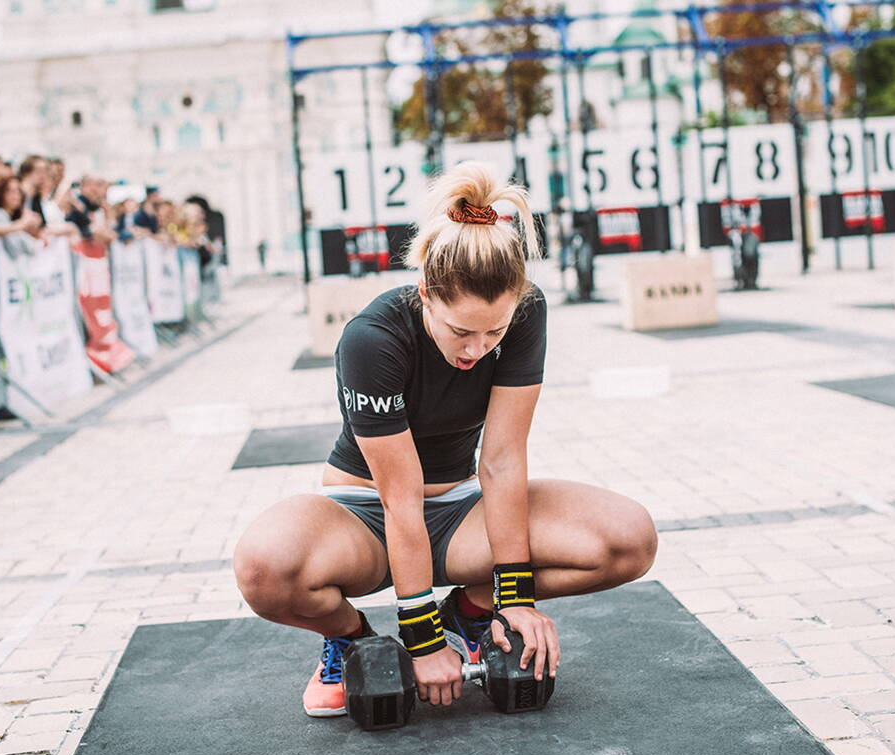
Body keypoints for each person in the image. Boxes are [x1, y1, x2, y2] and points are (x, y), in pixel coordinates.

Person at [232, 162, 657, 718]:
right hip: (365, 517)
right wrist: (421, 639)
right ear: (427, 293)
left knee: (629, 539)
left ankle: (470, 614)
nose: (476, 349)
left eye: (494, 332)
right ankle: (352, 639)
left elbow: (501, 462)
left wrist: (514, 599)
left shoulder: (525, 312)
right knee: (264, 567)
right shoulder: (372, 338)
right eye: (461, 331)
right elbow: (400, 497)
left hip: (462, 512)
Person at [0, 175, 41, 258]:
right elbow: (14, 250)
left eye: (18, 191)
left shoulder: (10, 217)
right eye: (10, 191)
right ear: (1, 193)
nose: (16, 195)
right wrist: (23, 224)